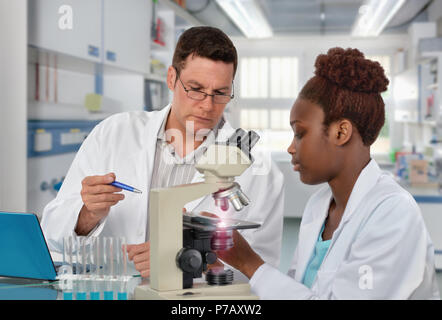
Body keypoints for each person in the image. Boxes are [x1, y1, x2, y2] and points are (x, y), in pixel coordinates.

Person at [40, 26, 284, 278]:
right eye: (195, 88)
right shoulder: (113, 133)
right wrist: (87, 215)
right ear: (171, 78)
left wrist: (192, 264)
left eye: (220, 93)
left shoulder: (259, 172)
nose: (207, 105)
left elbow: (262, 274)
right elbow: (52, 234)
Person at [216, 47, 440, 299]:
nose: (291, 148)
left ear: (341, 133)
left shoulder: (393, 213)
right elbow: (297, 290)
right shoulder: (319, 205)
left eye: (300, 134)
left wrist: (249, 263)